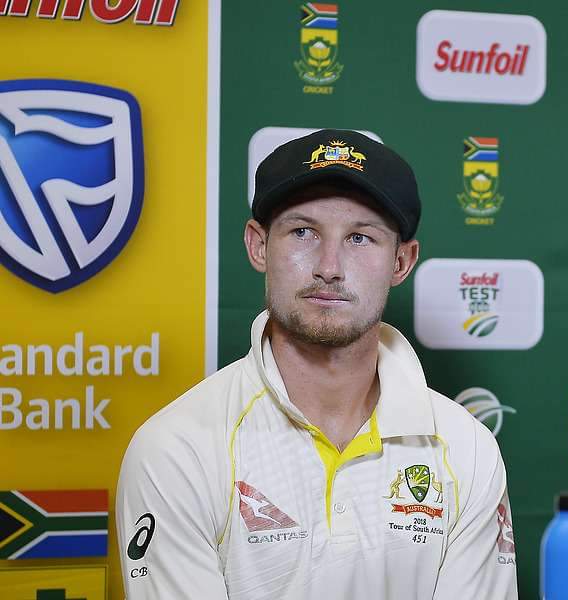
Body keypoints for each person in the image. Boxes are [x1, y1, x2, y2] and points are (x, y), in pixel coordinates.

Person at [117, 129, 517, 599]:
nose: (329, 266)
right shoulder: (176, 449)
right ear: (259, 245)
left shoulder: (467, 448)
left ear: (402, 262)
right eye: (303, 232)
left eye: (360, 238)